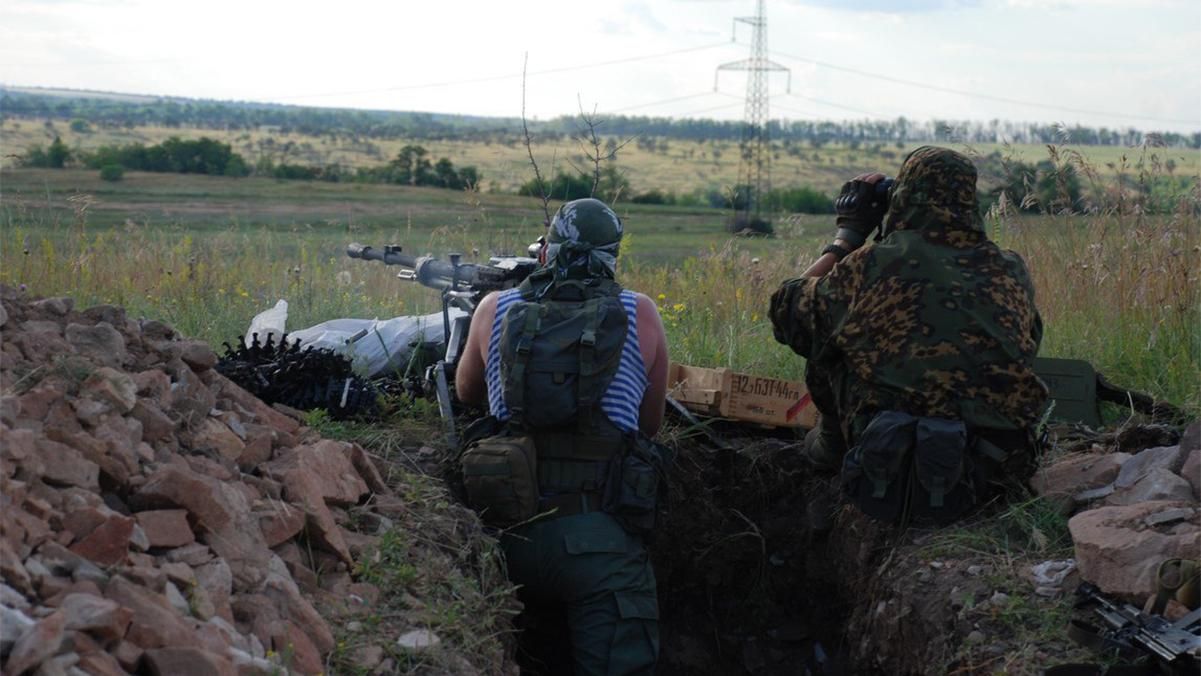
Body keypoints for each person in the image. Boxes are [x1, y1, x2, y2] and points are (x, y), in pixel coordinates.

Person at [769, 146, 1048, 521]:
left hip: (889, 452)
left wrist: (846, 237)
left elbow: (787, 310)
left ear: (903, 198)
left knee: (830, 343)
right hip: (995, 460)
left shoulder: (871, 264)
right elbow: (1030, 342)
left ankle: (832, 448)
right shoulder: (1010, 267)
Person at [456, 197, 669, 675]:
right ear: (613, 257)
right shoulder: (642, 314)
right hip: (602, 541)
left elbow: (467, 392)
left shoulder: (495, 307)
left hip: (505, 531)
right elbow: (648, 425)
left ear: (546, 251)